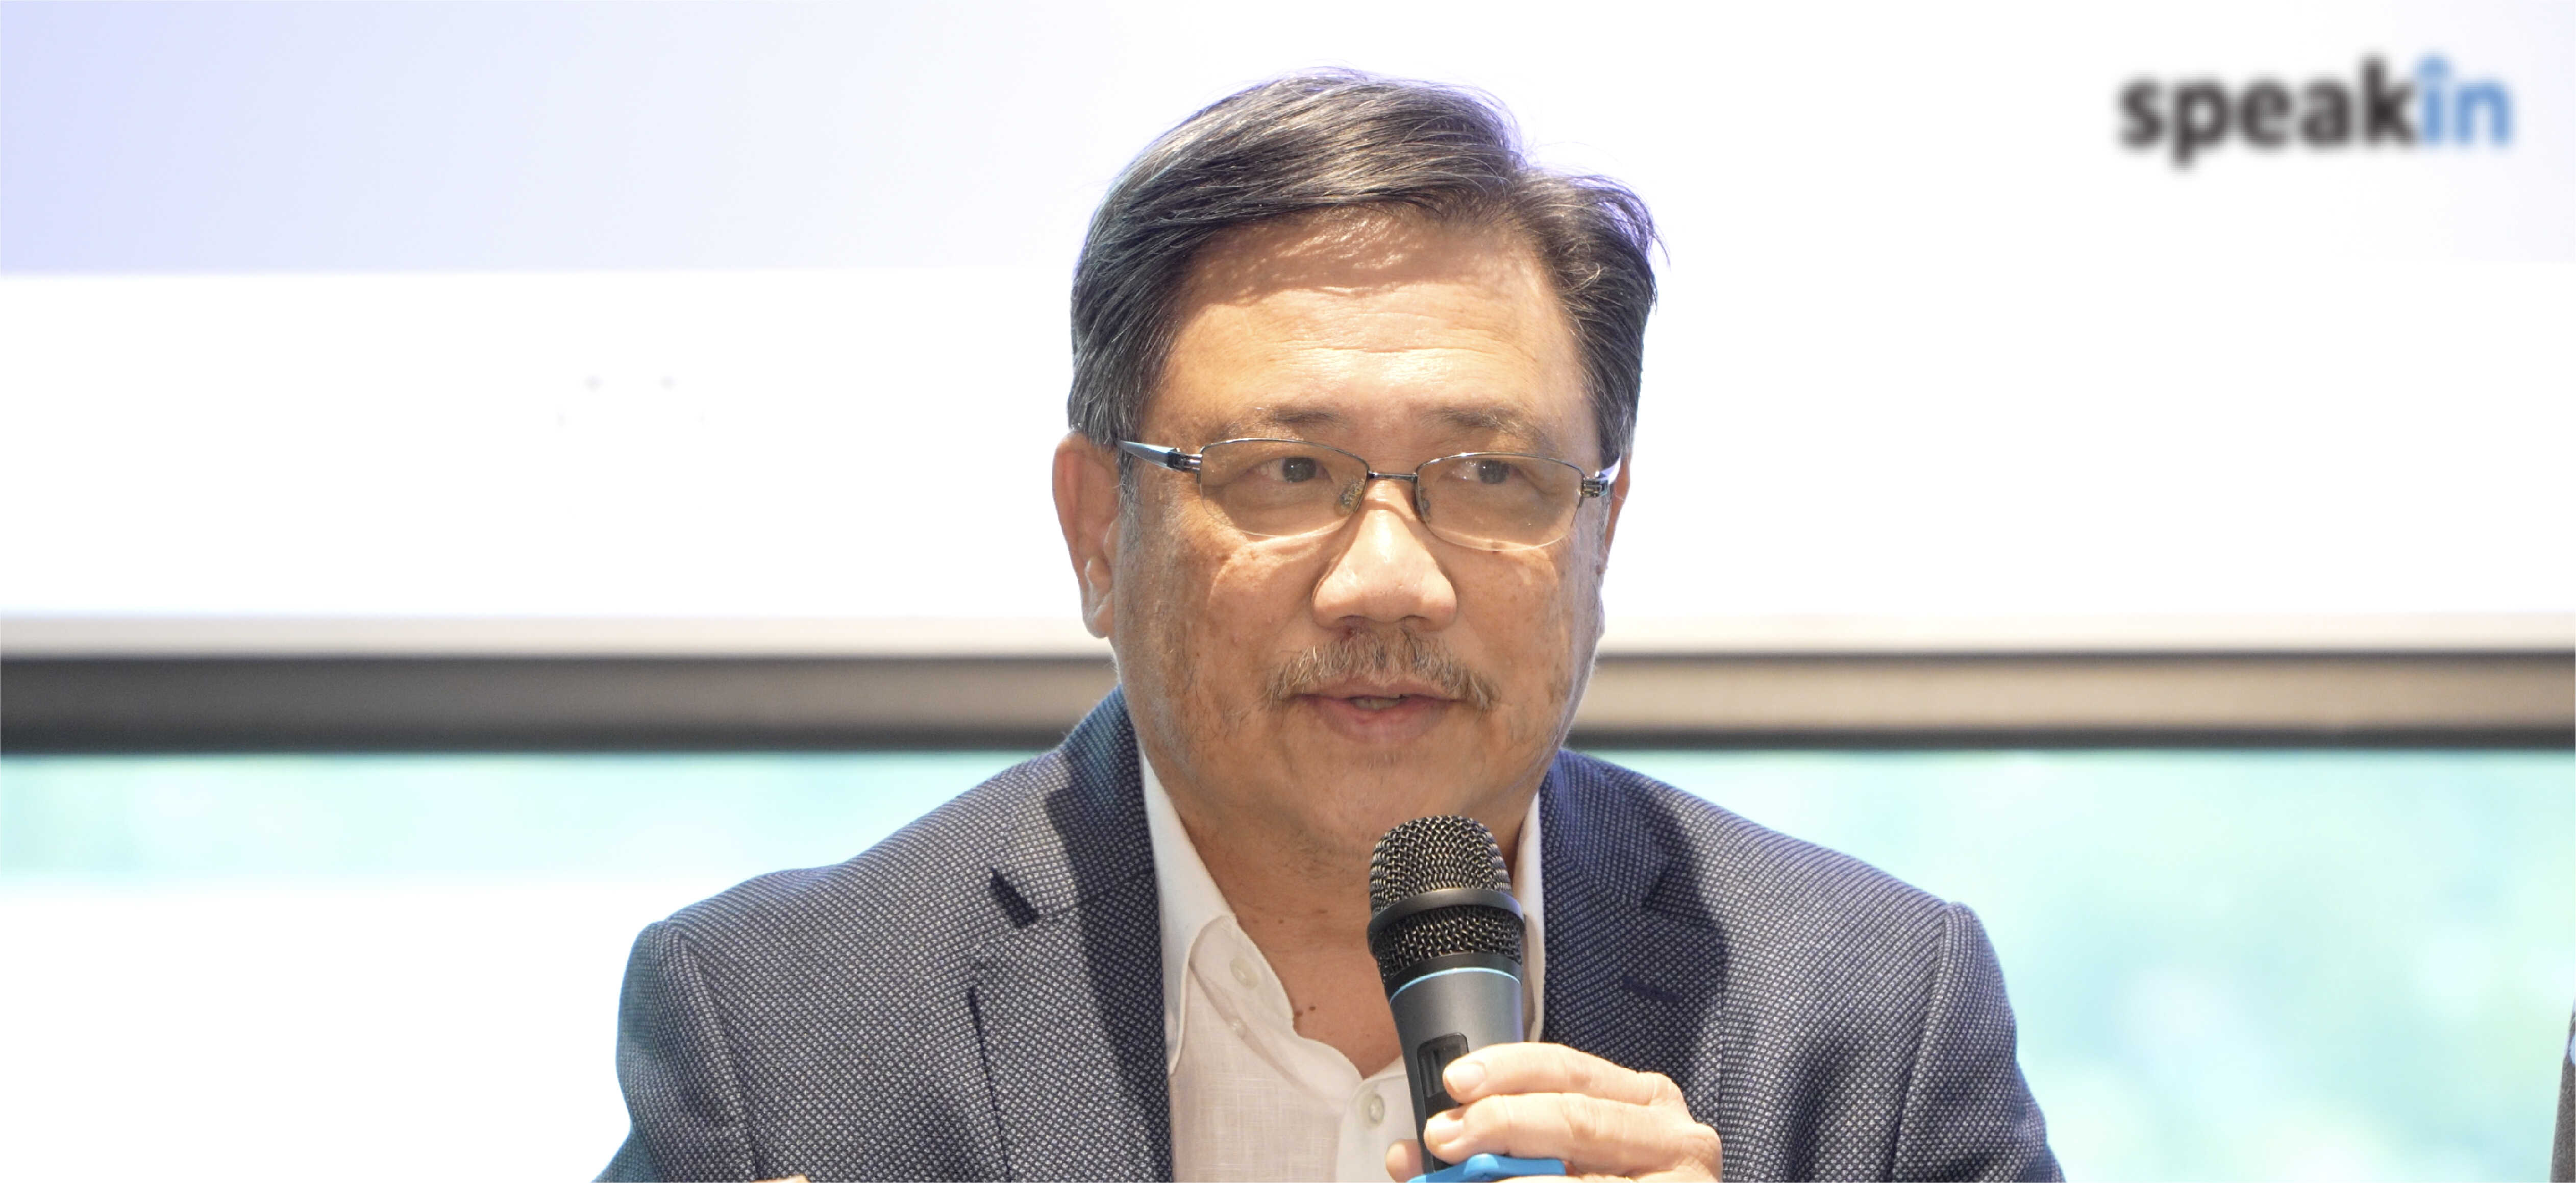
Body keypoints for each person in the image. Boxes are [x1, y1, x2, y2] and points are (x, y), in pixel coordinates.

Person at [602, 70, 2058, 1182]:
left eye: (1488, 476)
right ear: (1100, 531)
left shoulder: (1869, 1011)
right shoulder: (788, 1029)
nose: (1388, 581)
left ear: (1600, 533)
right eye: (1288, 471)